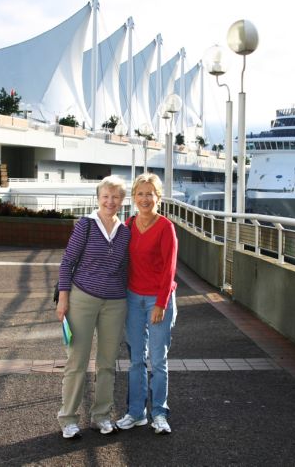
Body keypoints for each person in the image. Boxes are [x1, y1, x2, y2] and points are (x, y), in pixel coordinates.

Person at [56, 175, 130, 440]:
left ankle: (101, 416)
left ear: (122, 201)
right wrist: (63, 298)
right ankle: (68, 419)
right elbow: (67, 262)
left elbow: (124, 268)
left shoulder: (125, 232)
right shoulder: (85, 225)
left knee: (107, 363)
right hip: (82, 299)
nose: (110, 201)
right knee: (77, 361)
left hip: (115, 303)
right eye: (106, 196)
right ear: (98, 198)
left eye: (116, 197)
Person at [117, 173, 178, 435]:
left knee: (158, 360)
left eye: (149, 194)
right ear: (134, 197)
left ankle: (159, 414)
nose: (145, 199)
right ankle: (136, 413)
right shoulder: (128, 225)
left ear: (158, 198)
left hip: (158, 300)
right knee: (136, 360)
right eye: (140, 194)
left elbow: (169, 270)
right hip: (133, 298)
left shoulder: (165, 227)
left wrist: (161, 304)